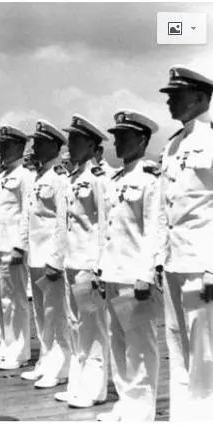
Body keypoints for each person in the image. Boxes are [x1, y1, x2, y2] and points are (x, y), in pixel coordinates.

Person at [96, 110, 162, 421]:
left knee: (140, 345)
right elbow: (106, 229)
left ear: (142, 140)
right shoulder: (115, 180)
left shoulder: (149, 179)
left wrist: (145, 274)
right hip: (113, 272)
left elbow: (153, 230)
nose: (117, 142)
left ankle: (141, 412)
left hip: (134, 276)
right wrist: (100, 269)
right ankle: (125, 404)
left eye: (124, 136)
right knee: (118, 342)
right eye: (116, 136)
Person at [156, 65, 213, 420]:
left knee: (204, 348)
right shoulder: (173, 145)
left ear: (200, 97)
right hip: (174, 263)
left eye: (176, 95)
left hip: (201, 266)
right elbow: (164, 208)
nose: (169, 102)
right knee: (177, 344)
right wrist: (158, 259)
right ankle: (182, 420)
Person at [48, 114, 110, 408]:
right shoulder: (72, 179)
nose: (69, 145)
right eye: (69, 140)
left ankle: (95, 389)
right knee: (75, 326)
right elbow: (64, 225)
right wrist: (58, 259)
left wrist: (100, 267)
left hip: (89, 264)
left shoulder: (99, 178)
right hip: (71, 263)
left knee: (94, 328)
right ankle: (78, 384)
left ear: (91, 145)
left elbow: (105, 225)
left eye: (75, 140)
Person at [18, 120, 72, 389]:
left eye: (39, 143)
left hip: (50, 258)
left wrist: (56, 259)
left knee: (56, 314)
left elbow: (63, 222)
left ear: (53, 146)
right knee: (41, 313)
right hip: (36, 256)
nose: (33, 147)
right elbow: (29, 216)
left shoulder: (60, 178)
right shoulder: (38, 177)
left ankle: (61, 367)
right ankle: (45, 361)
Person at [0, 125, 34, 369]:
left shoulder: (25, 176)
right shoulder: (2, 177)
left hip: (10, 247)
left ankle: (19, 351)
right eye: (0, 145)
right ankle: (5, 347)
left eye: (6, 145)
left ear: (19, 147)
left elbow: (27, 213)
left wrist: (20, 246)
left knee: (14, 301)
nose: (1, 150)